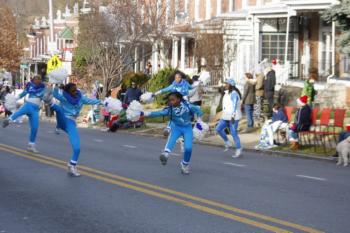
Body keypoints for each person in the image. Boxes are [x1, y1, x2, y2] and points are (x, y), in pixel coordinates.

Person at [48, 83, 101, 177]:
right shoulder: (64, 97)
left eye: (76, 89)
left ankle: (72, 165)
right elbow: (55, 94)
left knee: (77, 148)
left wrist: (104, 102)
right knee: (59, 110)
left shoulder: (81, 98)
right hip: (63, 118)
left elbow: (91, 101)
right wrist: (56, 84)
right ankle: (52, 106)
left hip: (71, 123)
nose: (76, 92)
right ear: (68, 92)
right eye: (73, 90)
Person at [145, 92, 203, 175]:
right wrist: (144, 113)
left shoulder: (187, 106)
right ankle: (165, 155)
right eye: (170, 100)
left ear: (179, 100)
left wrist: (199, 121)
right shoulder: (170, 109)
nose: (171, 102)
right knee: (171, 141)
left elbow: (199, 111)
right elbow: (158, 113)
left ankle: (185, 165)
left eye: (173, 100)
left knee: (188, 148)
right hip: (177, 128)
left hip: (187, 128)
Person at [2, 76, 46, 153]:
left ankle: (31, 145)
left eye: (39, 79)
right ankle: (8, 120)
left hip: (35, 110)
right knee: (18, 112)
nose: (38, 80)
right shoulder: (30, 86)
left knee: (35, 128)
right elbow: (23, 94)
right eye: (36, 79)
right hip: (28, 105)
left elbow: (45, 98)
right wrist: (14, 99)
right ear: (33, 80)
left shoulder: (43, 88)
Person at [216, 79, 243, 158]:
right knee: (218, 129)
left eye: (227, 84)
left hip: (233, 117)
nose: (225, 85)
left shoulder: (234, 93)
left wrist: (233, 116)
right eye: (225, 84)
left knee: (234, 133)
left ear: (231, 85)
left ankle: (238, 149)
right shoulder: (227, 93)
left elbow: (234, 105)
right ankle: (227, 142)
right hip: (225, 116)